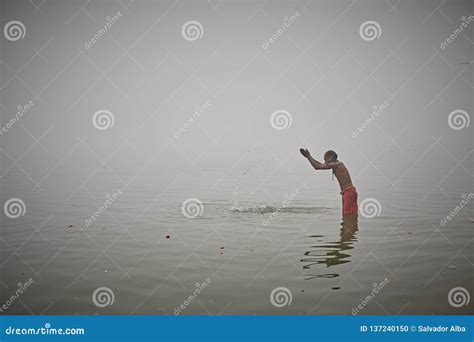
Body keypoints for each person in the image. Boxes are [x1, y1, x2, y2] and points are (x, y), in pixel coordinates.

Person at [299, 148, 358, 215]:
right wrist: (309, 156)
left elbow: (317, 166)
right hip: (349, 193)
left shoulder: (337, 164)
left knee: (347, 215)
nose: (325, 161)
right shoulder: (337, 164)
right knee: (351, 214)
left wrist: (308, 157)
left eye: (325, 159)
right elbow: (320, 164)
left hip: (349, 193)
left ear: (330, 158)